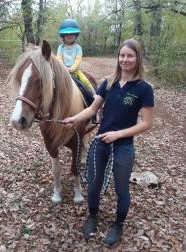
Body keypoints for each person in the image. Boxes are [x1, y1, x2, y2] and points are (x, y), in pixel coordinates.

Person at [63, 39, 154, 247]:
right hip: (101, 142)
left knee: (122, 188)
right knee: (94, 184)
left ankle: (118, 225)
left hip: (123, 145)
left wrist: (119, 134)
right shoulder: (108, 82)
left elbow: (147, 123)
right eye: (122, 55)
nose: (125, 59)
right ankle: (93, 216)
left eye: (130, 56)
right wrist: (75, 118)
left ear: (137, 58)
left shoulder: (144, 88)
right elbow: (93, 109)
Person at [57, 19, 96, 96]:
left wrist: (72, 68)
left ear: (76, 35)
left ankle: (94, 96)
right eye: (67, 34)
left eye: (72, 34)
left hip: (75, 71)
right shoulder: (60, 48)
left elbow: (78, 59)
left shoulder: (78, 48)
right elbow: (59, 59)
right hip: (62, 70)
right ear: (63, 36)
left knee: (85, 81)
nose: (69, 35)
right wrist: (63, 67)